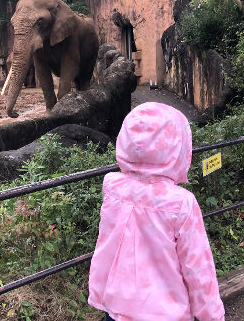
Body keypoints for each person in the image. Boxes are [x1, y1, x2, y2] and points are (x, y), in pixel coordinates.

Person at [88, 102, 225, 321]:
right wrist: (212, 315)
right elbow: (198, 268)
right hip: (164, 313)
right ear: (178, 147)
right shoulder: (181, 203)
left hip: (116, 307)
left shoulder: (112, 187)